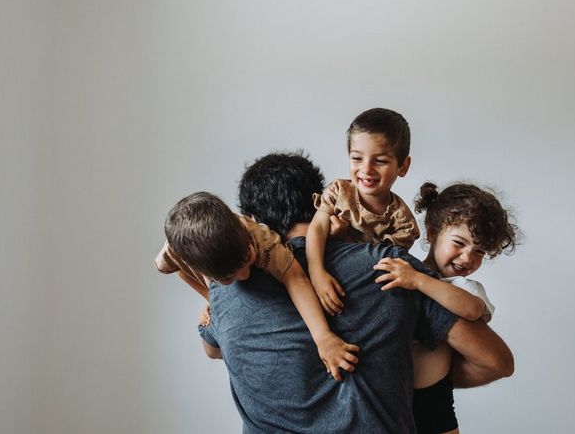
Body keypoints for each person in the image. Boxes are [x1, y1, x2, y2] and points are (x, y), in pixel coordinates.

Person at [198, 151, 514, 433]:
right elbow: (495, 361)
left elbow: (213, 350)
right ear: (319, 201)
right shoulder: (387, 267)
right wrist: (403, 378)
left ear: (253, 222)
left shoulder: (226, 288)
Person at [156, 191, 359, 380]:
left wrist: (323, 337)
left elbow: (296, 279)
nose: (245, 275)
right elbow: (179, 270)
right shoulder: (173, 251)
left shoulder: (259, 238)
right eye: (228, 278)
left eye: (248, 258)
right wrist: (211, 298)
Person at [373, 182, 518, 434]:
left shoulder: (464, 287)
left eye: (479, 252)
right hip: (389, 398)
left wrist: (419, 281)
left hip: (432, 401)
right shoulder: (406, 271)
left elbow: (472, 310)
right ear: (432, 233)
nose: (467, 258)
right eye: (459, 243)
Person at [307, 108, 421, 315]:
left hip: (363, 294)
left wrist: (344, 237)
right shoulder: (338, 192)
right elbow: (316, 229)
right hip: (325, 275)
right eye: (357, 158)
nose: (366, 169)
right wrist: (317, 273)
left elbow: (379, 263)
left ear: (403, 166)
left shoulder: (402, 223)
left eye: (380, 161)